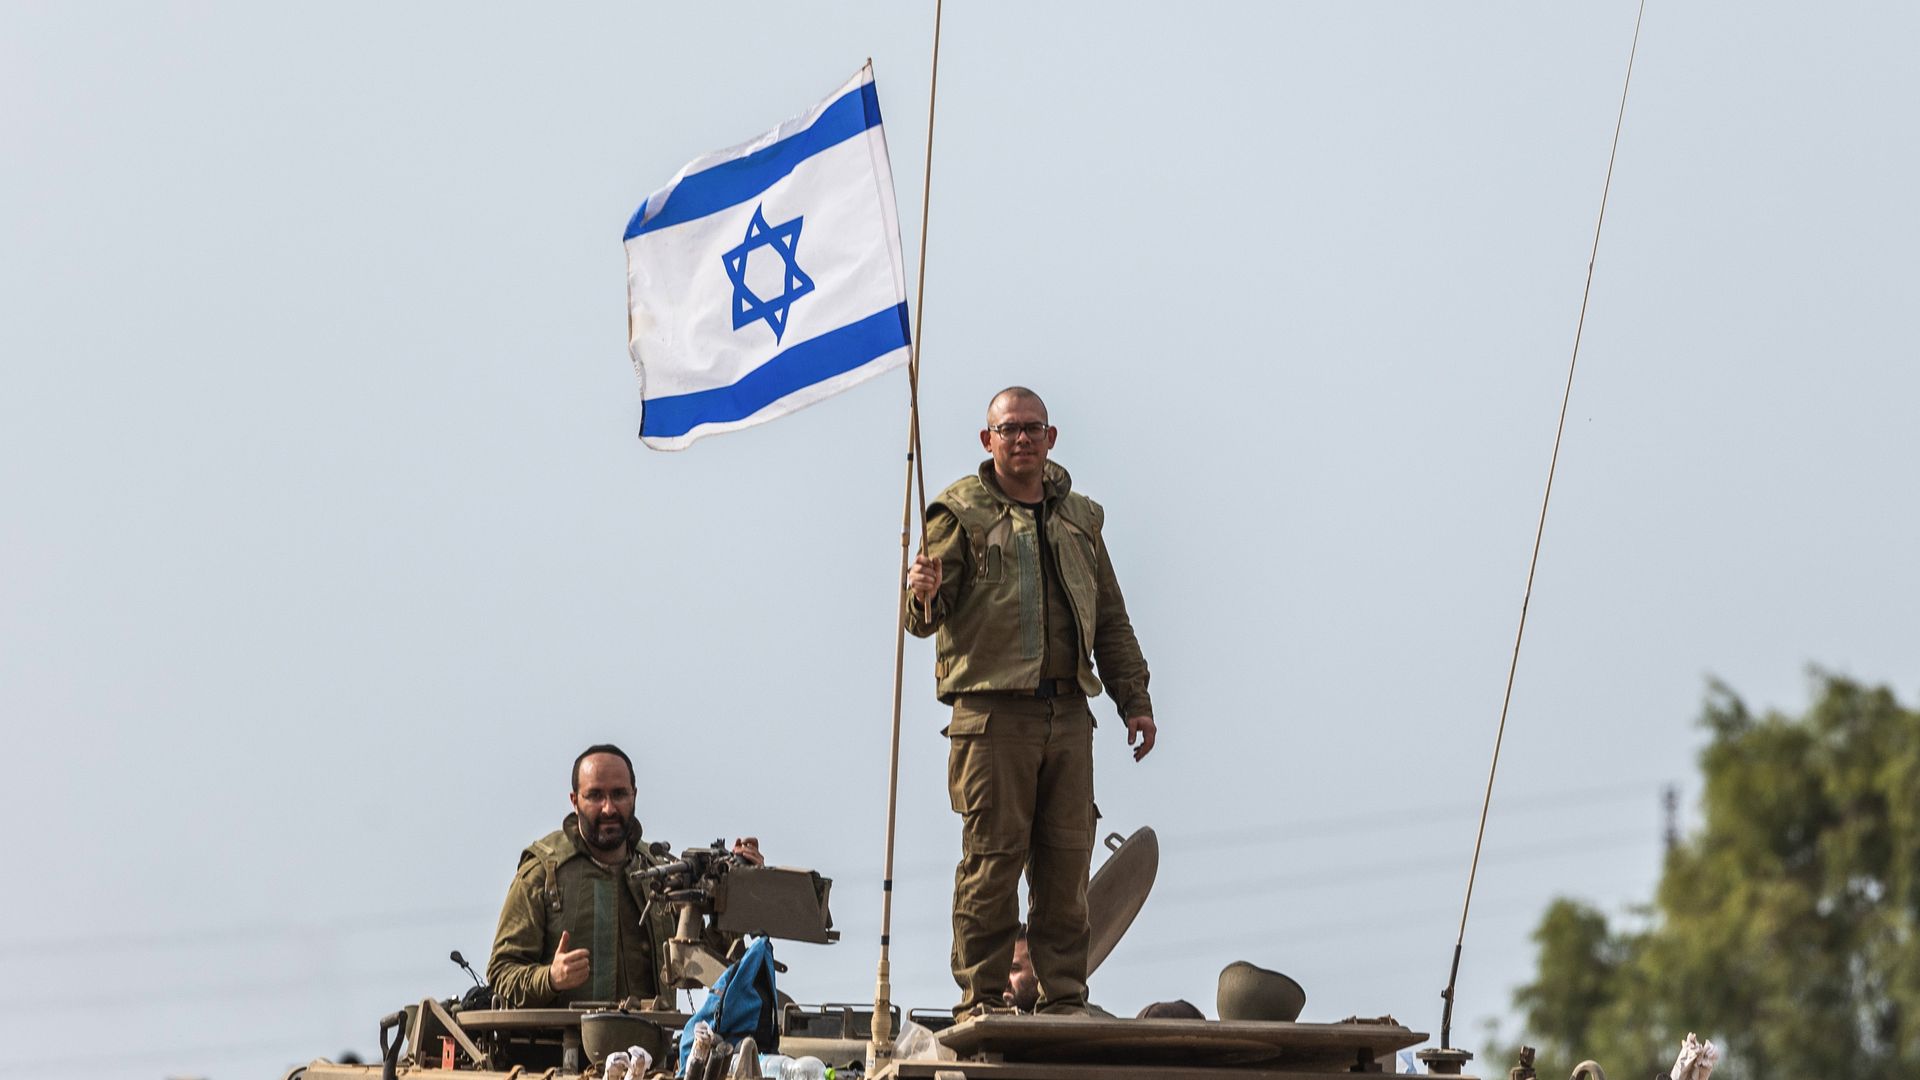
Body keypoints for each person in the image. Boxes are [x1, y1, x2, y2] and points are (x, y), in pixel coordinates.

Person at [906, 386, 1157, 1017]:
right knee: (993, 862)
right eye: (1009, 429)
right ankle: (982, 998)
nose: (1021, 440)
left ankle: (1064, 997)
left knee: (1066, 862)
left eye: (1032, 429)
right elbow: (923, 621)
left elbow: (1111, 621)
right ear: (988, 441)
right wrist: (922, 593)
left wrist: (1135, 699)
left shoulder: (1081, 520)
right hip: (993, 717)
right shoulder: (958, 514)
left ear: (1052, 438)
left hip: (1068, 713)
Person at [486, 743, 763, 1007]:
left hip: (650, 1052)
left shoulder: (660, 872)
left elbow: (707, 959)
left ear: (634, 795)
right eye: (595, 795)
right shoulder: (544, 874)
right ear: (574, 801)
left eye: (619, 794)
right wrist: (550, 978)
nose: (609, 808)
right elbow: (501, 973)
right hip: (563, 1051)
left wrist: (739, 886)